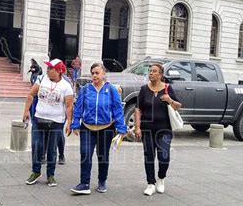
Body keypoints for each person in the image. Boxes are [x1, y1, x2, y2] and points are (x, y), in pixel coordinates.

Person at [68, 62, 127, 195]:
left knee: (103, 156)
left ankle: (102, 181)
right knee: (85, 154)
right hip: (87, 128)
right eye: (93, 73)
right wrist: (75, 124)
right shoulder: (85, 89)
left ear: (103, 74)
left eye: (97, 73)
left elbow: (117, 109)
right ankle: (84, 184)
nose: (94, 75)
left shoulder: (111, 89)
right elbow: (78, 108)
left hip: (106, 129)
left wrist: (121, 128)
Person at [22, 58, 74, 187]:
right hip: (39, 119)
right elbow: (30, 94)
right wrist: (26, 111)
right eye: (48, 68)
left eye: (50, 68)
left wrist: (69, 122)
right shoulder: (41, 79)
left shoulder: (66, 86)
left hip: (56, 122)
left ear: (58, 71)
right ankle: (36, 172)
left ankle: (50, 175)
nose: (48, 70)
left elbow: (69, 106)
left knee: (52, 149)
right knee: (36, 145)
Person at [134, 63, 182, 196]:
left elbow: (178, 106)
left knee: (164, 156)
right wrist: (137, 127)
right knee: (149, 156)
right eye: (150, 71)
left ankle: (161, 178)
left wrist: (170, 100)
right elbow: (138, 108)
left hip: (164, 130)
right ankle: (150, 183)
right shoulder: (144, 89)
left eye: (154, 71)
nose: (151, 73)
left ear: (160, 75)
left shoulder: (167, 88)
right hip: (147, 129)